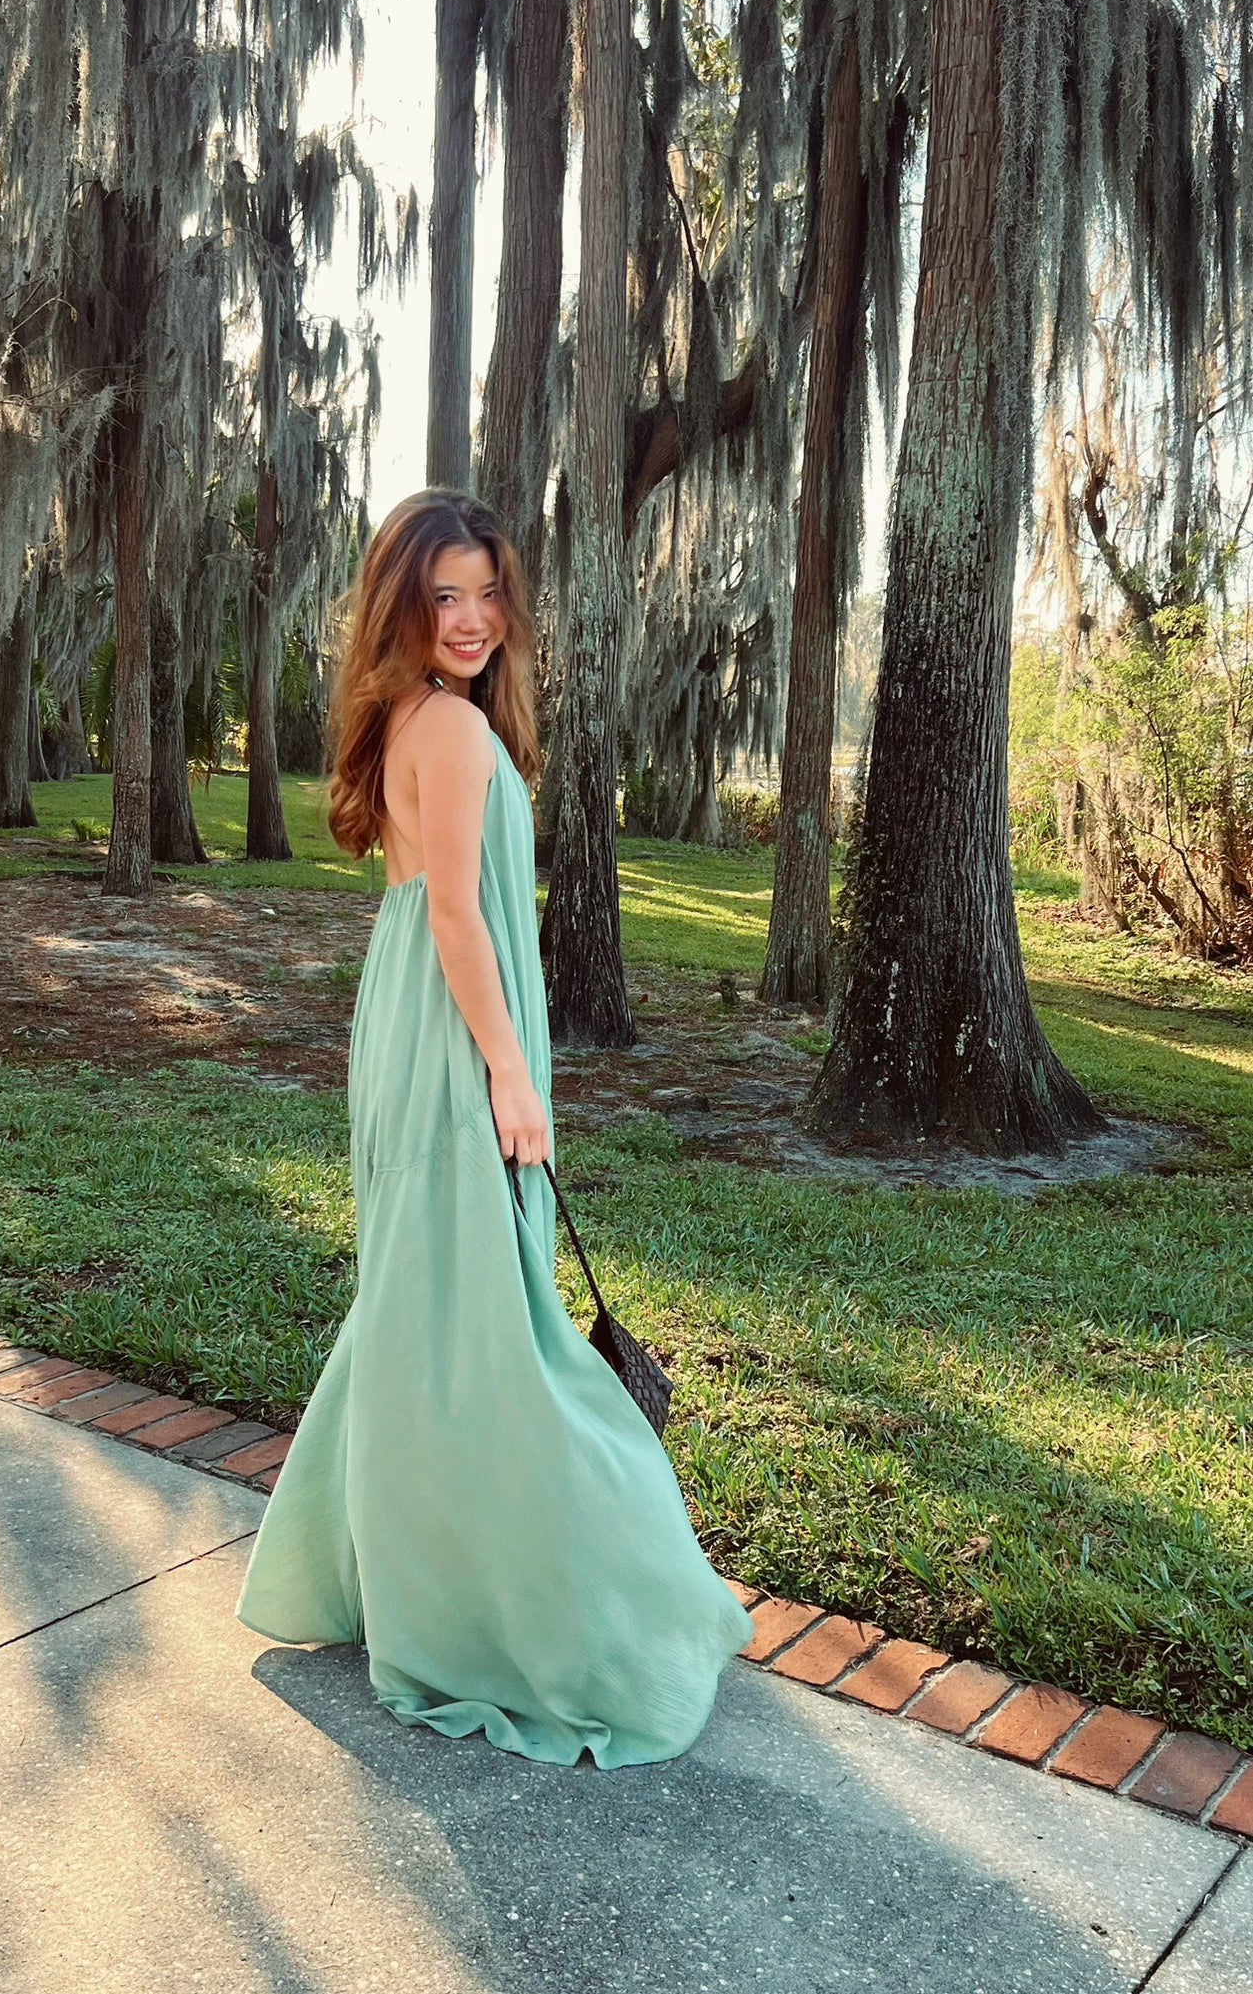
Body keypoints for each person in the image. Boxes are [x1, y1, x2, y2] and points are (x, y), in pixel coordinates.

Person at [234, 488, 754, 1766]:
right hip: (458, 1038)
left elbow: (428, 910)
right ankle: (531, 1600)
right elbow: (459, 914)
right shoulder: (452, 732)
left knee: (425, 1306)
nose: (470, 618)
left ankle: (385, 1574)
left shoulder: (421, 720)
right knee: (483, 1322)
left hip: (415, 1025)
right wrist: (513, 1073)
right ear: (403, 608)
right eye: (442, 596)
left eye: (484, 592)